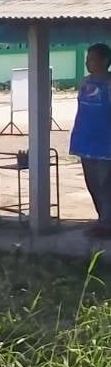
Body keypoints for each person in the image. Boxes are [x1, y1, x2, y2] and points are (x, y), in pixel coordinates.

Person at [70, 43, 111, 238]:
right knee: (92, 184)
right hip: (85, 142)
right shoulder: (85, 83)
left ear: (105, 60)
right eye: (87, 59)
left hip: (106, 144)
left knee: (106, 185)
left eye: (92, 59)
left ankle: (107, 224)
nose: (88, 63)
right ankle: (102, 220)